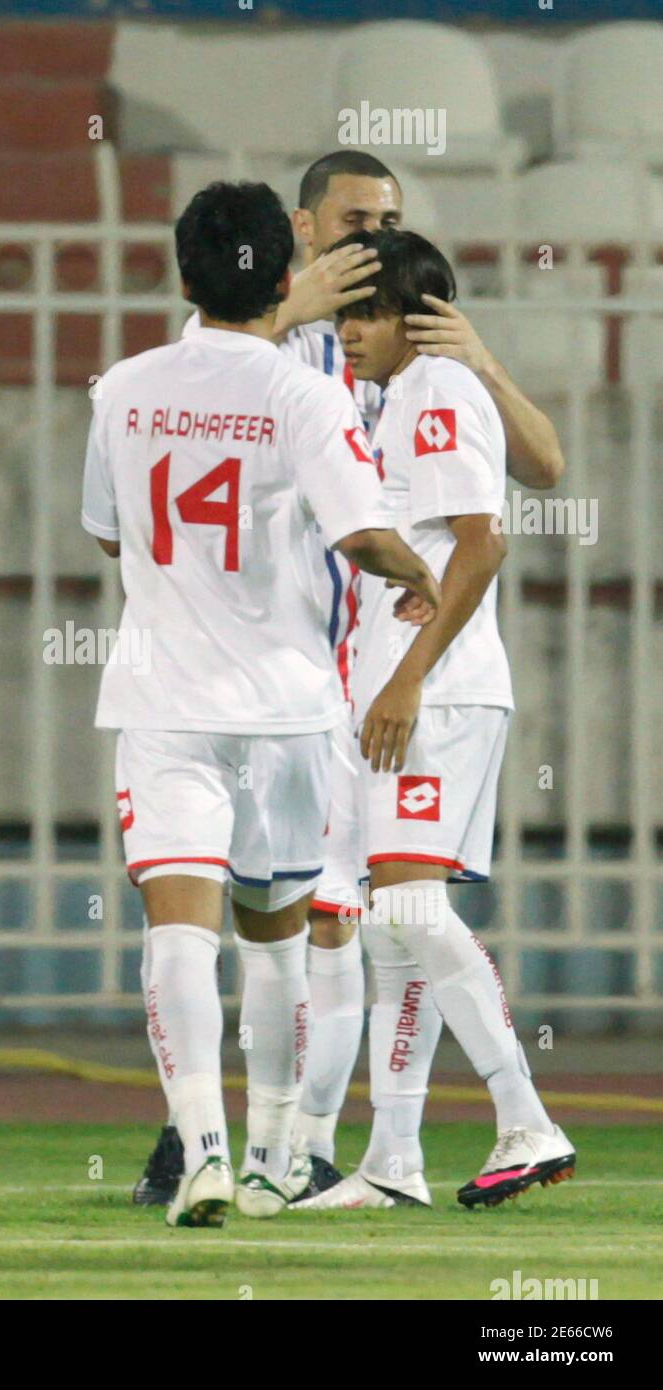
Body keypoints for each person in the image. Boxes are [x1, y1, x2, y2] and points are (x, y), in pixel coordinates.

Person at [136, 149, 566, 1208]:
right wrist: (290, 316)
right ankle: (363, 1155)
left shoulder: (422, 366)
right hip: (300, 671)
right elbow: (203, 390)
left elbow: (532, 481)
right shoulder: (294, 342)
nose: (371, 235)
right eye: (354, 217)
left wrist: (482, 362)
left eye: (389, 219)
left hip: (388, 678)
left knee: (354, 914)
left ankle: (327, 1141)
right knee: (335, 917)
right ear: (302, 228)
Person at [84, 180, 442, 1227]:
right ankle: (276, 1151)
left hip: (164, 701)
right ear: (286, 277)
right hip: (286, 708)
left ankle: (197, 1147)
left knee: (175, 931)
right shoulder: (303, 393)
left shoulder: (125, 386)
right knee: (279, 939)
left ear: (180, 271)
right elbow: (360, 533)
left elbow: (107, 530)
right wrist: (413, 572)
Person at [292, 228, 574, 1210]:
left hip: (437, 693)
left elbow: (483, 542)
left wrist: (407, 678)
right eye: (341, 315)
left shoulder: (438, 391)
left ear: (414, 318)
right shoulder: (392, 397)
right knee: (391, 927)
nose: (349, 332)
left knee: (408, 909)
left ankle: (523, 1116)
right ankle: (393, 1161)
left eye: (364, 314)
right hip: (408, 684)